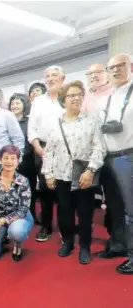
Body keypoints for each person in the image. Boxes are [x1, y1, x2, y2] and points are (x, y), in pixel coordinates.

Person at [42, 81, 106, 264]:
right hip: (61, 176)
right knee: (64, 212)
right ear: (63, 100)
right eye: (71, 95)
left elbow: (99, 148)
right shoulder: (55, 124)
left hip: (84, 176)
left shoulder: (91, 121)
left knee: (85, 213)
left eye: (79, 94)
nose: (76, 98)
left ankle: (85, 246)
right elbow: (49, 152)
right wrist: (48, 174)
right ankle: (68, 241)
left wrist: (90, 170)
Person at [95, 53, 133, 274]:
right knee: (115, 209)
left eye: (121, 66)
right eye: (112, 68)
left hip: (128, 156)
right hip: (108, 158)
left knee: (131, 210)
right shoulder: (106, 99)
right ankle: (118, 245)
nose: (116, 70)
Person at [28, 65, 66, 242]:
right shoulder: (38, 101)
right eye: (47, 76)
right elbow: (32, 128)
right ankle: (46, 226)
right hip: (42, 149)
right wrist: (37, 147)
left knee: (65, 189)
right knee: (45, 190)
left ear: (62, 78)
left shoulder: (67, 98)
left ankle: (67, 228)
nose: (50, 79)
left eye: (54, 75)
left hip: (65, 149)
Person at [0, 145, 34, 262]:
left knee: (16, 232)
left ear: (17, 162)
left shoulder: (23, 181)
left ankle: (17, 244)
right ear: (0, 160)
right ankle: (3, 237)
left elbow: (23, 210)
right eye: (5, 158)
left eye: (12, 158)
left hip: (19, 218)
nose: (9, 161)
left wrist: (2, 221)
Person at [9, 93, 39, 224]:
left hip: (27, 160)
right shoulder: (7, 120)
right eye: (13, 103)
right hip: (10, 161)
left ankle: (30, 214)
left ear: (24, 105)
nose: (14, 106)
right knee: (13, 190)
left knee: (29, 189)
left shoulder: (29, 121)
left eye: (18, 103)